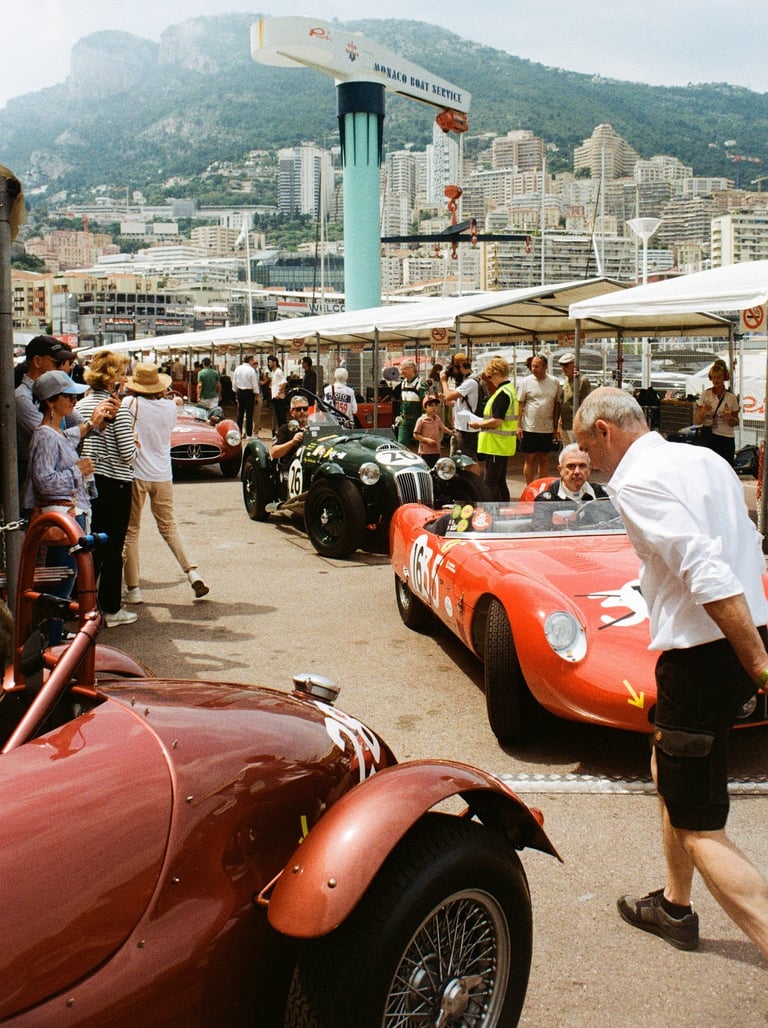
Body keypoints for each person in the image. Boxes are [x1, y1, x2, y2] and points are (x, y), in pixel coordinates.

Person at [574, 387, 768, 959]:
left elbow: (701, 568)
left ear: (605, 431)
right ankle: (675, 905)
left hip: (709, 654)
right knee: (668, 764)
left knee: (698, 826)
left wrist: (757, 663)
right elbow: (745, 544)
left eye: (588, 448)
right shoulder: (702, 458)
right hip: (741, 634)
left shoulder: (634, 479)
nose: (591, 464)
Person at [121, 363, 209, 603]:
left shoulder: (130, 404)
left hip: (137, 471)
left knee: (131, 531)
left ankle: (134, 588)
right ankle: (192, 572)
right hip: (163, 473)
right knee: (169, 526)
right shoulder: (170, 407)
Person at [22, 371, 94, 645]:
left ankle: (52, 641)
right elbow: (45, 481)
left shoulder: (53, 433)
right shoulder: (46, 437)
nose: (74, 401)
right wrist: (78, 471)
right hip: (62, 521)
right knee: (61, 585)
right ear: (50, 402)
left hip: (66, 517)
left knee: (64, 582)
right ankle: (51, 646)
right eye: (68, 396)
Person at [75, 351, 138, 629]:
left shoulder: (82, 404)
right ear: (111, 376)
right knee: (113, 547)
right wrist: (135, 443)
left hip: (91, 481)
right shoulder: (118, 409)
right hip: (116, 483)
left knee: (93, 543)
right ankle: (111, 608)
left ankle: (84, 601)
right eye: (121, 371)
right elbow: (127, 454)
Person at [15, 335, 111, 489]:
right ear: (37, 361)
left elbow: (80, 422)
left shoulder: (53, 390)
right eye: (56, 363)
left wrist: (100, 421)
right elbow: (50, 439)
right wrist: (90, 424)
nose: (62, 368)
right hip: (40, 486)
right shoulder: (22, 398)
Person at [469, 356, 518, 501]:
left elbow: (497, 421)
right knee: (500, 482)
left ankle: (492, 513)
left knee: (490, 483)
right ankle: (504, 509)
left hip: (496, 444)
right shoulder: (509, 390)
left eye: (490, 376)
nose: (490, 380)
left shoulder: (502, 394)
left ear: (496, 374)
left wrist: (479, 424)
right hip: (502, 444)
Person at [517, 354, 560, 484]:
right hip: (529, 427)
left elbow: (557, 404)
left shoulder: (554, 382)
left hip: (546, 428)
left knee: (544, 458)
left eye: (536, 366)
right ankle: (529, 486)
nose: (533, 369)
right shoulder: (526, 382)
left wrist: (555, 426)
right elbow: (520, 403)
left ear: (545, 367)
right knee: (529, 458)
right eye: (532, 366)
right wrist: (518, 425)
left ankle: (542, 486)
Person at [439, 353, 483, 475]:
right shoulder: (469, 380)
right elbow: (458, 401)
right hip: (463, 426)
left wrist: (443, 381)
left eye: (454, 369)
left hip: (467, 428)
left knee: (469, 459)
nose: (453, 373)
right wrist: (449, 402)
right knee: (464, 458)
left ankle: (476, 484)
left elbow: (449, 394)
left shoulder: (471, 382)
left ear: (460, 366)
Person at [693, 358, 740, 465]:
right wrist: (703, 411)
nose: (716, 381)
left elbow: (736, 421)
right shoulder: (706, 394)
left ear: (724, 378)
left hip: (726, 438)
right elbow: (697, 421)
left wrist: (729, 419)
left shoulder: (731, 397)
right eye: (713, 378)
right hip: (708, 436)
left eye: (719, 377)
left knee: (726, 468)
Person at [557, 352, 592, 445]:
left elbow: (585, 404)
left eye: (566, 365)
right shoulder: (566, 380)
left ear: (574, 365)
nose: (563, 368)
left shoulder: (581, 380)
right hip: (565, 424)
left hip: (575, 424)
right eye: (562, 365)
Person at [270, 395, 310, 469]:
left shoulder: (315, 427)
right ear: (291, 412)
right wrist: (292, 442)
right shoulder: (285, 428)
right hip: (291, 467)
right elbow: (274, 453)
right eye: (298, 409)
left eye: (305, 409)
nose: (302, 412)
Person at [396, 359, 427, 449]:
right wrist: (400, 415)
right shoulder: (403, 383)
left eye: (404, 369)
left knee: (422, 445)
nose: (402, 372)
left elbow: (426, 402)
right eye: (401, 369)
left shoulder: (420, 383)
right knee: (401, 445)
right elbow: (402, 402)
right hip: (404, 419)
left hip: (418, 419)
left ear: (412, 369)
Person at [412, 395, 448, 467]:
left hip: (436, 450)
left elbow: (442, 427)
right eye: (431, 405)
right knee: (426, 468)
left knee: (435, 468)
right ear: (425, 407)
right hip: (425, 452)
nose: (433, 408)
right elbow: (415, 435)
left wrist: (452, 432)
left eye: (435, 405)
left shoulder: (437, 418)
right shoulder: (421, 420)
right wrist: (426, 440)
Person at [232, 354, 260, 438]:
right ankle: (249, 434)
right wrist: (256, 394)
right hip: (249, 392)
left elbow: (234, 381)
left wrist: (235, 391)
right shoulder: (251, 370)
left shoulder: (238, 368)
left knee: (240, 413)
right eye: (252, 360)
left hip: (240, 391)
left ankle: (239, 432)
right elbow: (254, 383)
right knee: (249, 414)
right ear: (250, 360)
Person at [268, 354, 288, 430]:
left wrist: (278, 393)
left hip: (279, 398)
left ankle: (284, 432)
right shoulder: (273, 372)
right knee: (278, 417)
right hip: (275, 397)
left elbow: (284, 383)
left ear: (275, 362)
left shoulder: (278, 371)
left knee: (281, 417)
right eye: (269, 362)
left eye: (270, 362)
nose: (269, 364)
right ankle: (281, 431)